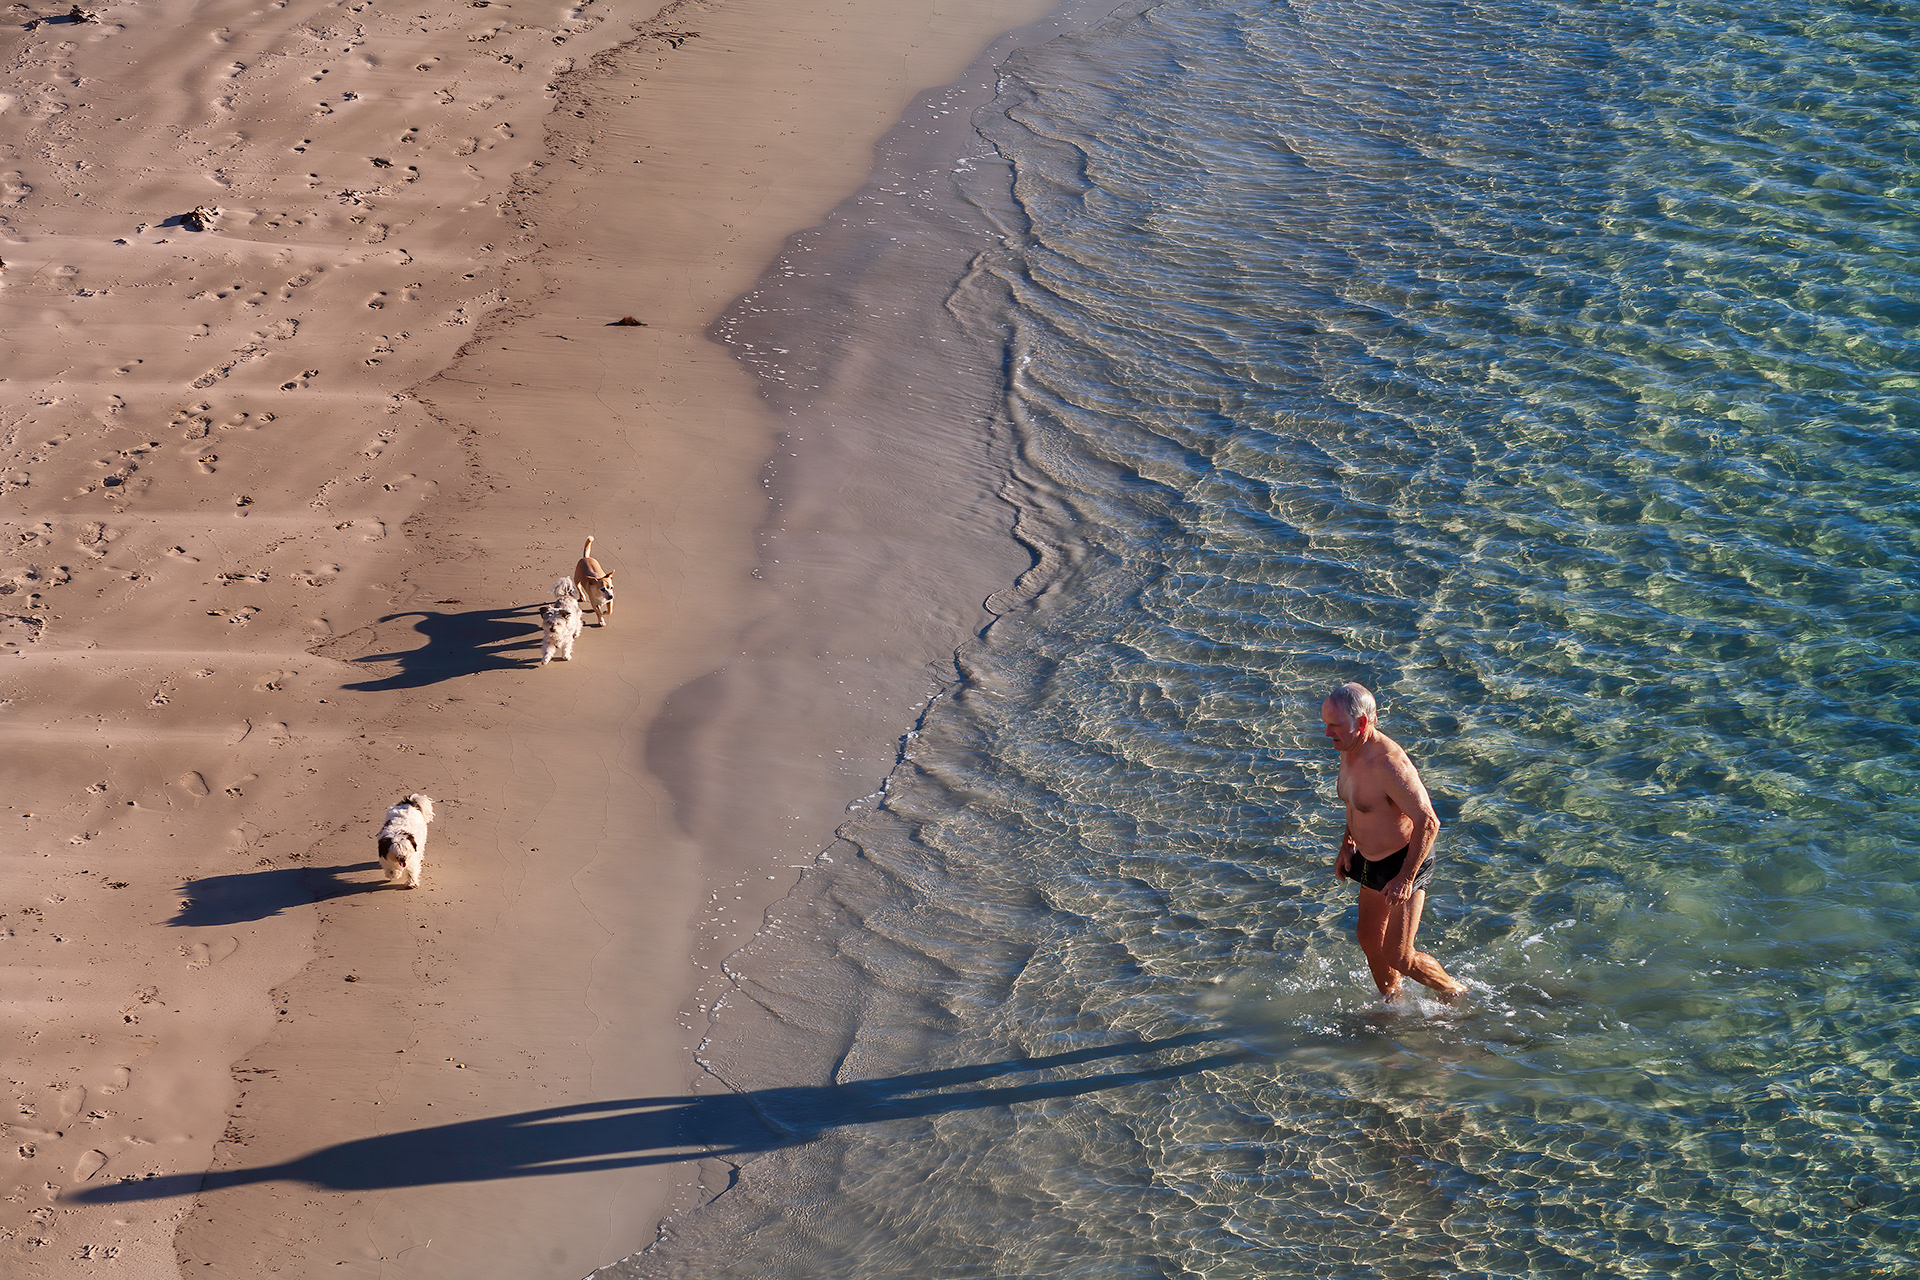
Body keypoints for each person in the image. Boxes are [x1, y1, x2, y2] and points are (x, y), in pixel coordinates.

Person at [1321, 682, 1466, 1003]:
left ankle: (1455, 992)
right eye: (1325, 724)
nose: (1327, 733)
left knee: (1399, 955)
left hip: (1405, 861)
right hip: (1369, 857)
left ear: (1361, 724)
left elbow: (1429, 821)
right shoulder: (1349, 749)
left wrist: (1406, 878)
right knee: (1369, 937)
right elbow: (1354, 801)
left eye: (1333, 726)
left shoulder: (1388, 764)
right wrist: (1346, 845)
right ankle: (1393, 1004)